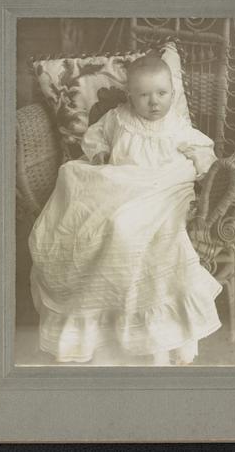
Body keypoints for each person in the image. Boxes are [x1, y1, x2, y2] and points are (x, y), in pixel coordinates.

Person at [28, 55, 222, 366]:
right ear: (130, 95)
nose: (154, 103)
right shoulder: (118, 118)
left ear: (173, 93)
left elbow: (202, 151)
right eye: (144, 95)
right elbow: (95, 137)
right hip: (120, 180)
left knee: (127, 225)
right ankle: (104, 333)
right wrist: (100, 151)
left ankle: (161, 337)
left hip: (161, 187)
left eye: (161, 94)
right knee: (79, 188)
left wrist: (203, 172)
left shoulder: (177, 126)